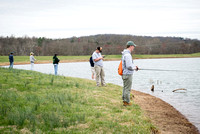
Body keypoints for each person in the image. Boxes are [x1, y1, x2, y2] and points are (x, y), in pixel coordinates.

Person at [121, 41, 139, 106]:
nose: (134, 47)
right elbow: (129, 66)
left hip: (125, 74)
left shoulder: (125, 54)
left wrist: (134, 67)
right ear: (131, 46)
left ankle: (125, 101)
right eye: (133, 46)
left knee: (125, 88)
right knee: (127, 89)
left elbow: (129, 65)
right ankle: (127, 102)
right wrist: (134, 68)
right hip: (128, 74)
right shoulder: (128, 55)